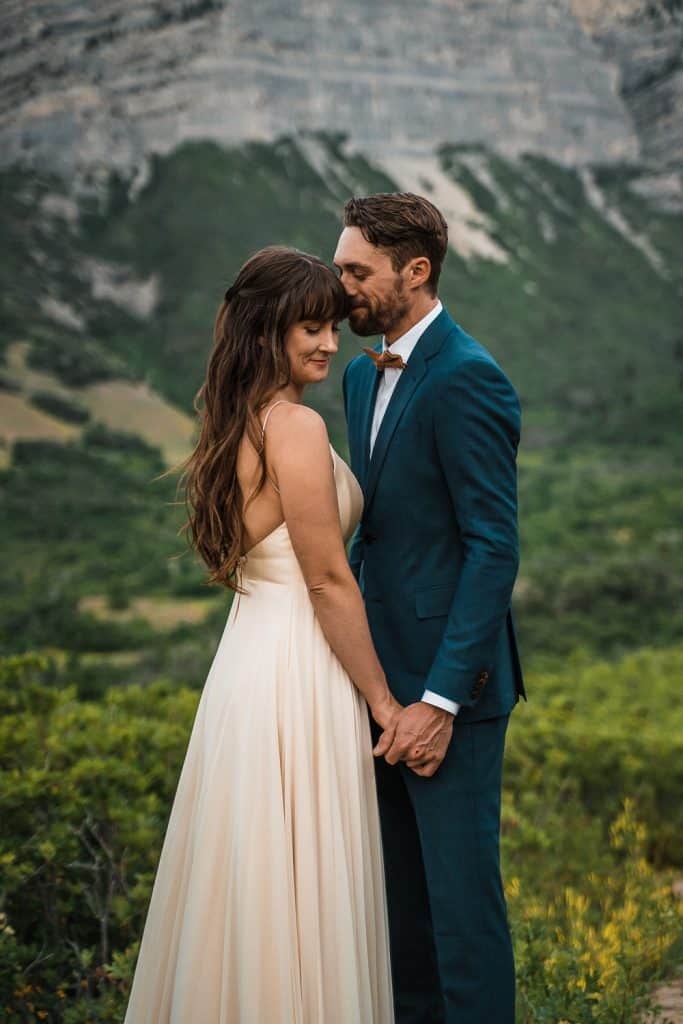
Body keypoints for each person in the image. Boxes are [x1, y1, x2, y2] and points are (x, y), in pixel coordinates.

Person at [123, 246, 398, 1023]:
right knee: (300, 873)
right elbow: (325, 579)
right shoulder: (296, 427)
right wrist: (381, 699)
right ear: (264, 330)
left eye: (331, 327)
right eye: (308, 327)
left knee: (254, 876)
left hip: (246, 666)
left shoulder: (234, 421)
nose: (325, 343)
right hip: (297, 667)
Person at [336, 192, 527, 1024]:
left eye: (356, 272)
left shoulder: (469, 376)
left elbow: (493, 546)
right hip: (371, 684)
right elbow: (376, 532)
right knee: (398, 915)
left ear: (415, 272)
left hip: (450, 691)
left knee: (459, 910)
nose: (339, 287)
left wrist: (440, 701)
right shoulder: (352, 373)